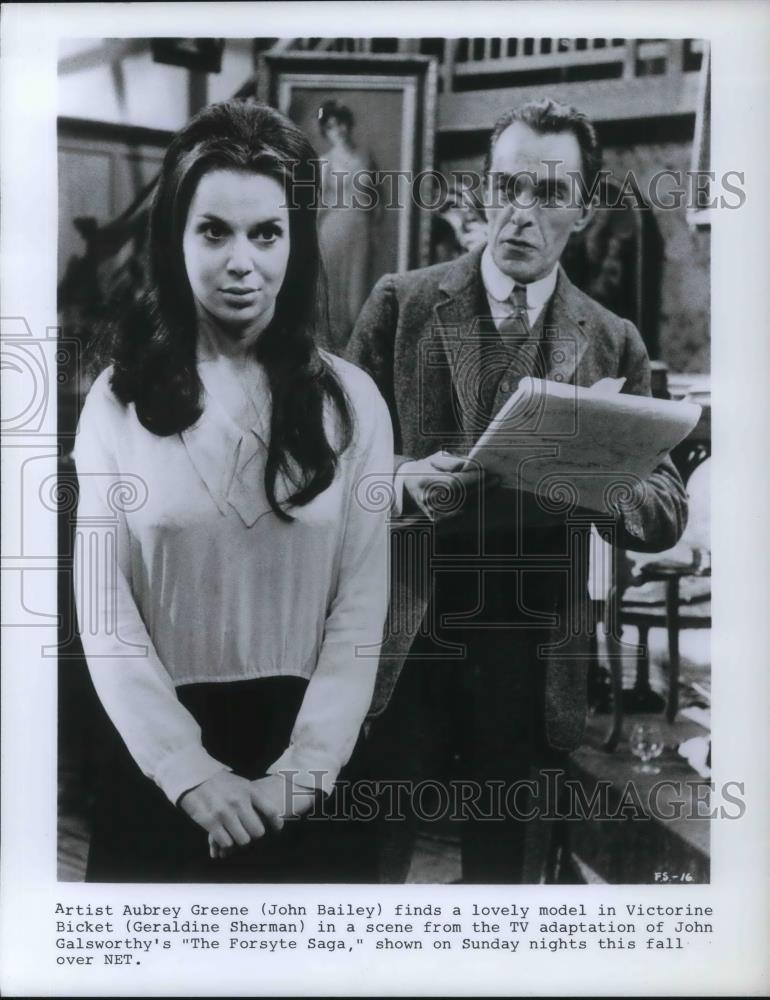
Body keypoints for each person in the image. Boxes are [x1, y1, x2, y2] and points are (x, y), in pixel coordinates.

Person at [347, 98, 688, 884]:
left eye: (550, 194)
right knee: (364, 876)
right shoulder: (401, 305)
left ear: (587, 207)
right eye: (506, 188)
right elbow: (320, 466)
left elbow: (665, 511)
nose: (522, 215)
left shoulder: (613, 340)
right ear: (484, 190)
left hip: (534, 650)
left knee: (505, 892)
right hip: (406, 629)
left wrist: (597, 479)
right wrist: (399, 480)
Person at [72, 99, 393, 883]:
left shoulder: (352, 404)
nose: (241, 261)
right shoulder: (115, 402)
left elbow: (360, 613)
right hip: (158, 778)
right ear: (174, 239)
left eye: (267, 233)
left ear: (298, 242)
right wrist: (189, 772)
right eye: (214, 231)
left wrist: (301, 774)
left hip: (312, 782)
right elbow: (104, 615)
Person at [317, 99, 376, 351]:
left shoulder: (365, 157)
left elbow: (378, 198)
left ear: (347, 125)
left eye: (340, 124)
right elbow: (318, 203)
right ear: (326, 132)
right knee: (334, 297)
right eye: (330, 127)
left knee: (357, 298)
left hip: (360, 228)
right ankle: (332, 354)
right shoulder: (324, 162)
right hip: (333, 230)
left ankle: (357, 353)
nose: (337, 130)